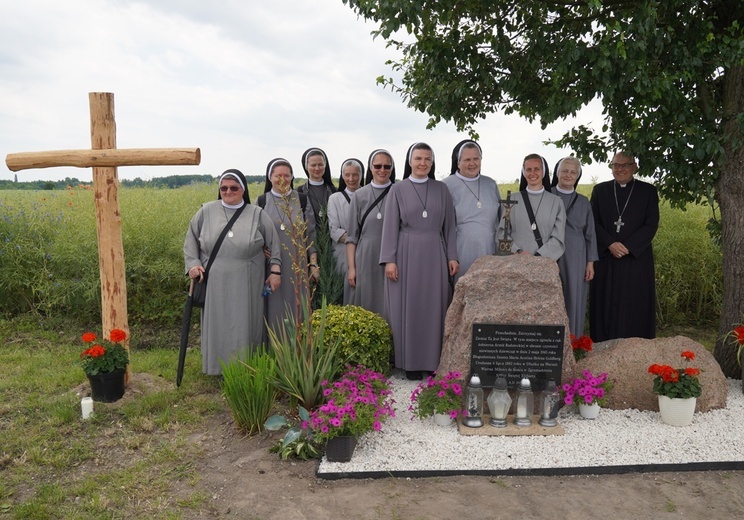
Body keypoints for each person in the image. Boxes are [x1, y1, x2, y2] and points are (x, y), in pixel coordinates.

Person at [183, 169, 281, 375]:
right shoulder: (206, 211)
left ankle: (246, 367)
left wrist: (275, 271)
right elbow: (191, 239)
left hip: (247, 281)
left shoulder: (257, 214)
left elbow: (274, 244)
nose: (228, 191)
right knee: (218, 323)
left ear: (243, 189)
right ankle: (217, 367)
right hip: (216, 280)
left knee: (245, 324)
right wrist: (192, 264)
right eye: (224, 188)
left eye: (234, 187)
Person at [380, 142, 458, 380]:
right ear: (410, 161)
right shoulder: (398, 189)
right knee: (410, 307)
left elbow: (450, 226)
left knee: (435, 306)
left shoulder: (441, 189)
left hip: (435, 251)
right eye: (418, 159)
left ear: (432, 163)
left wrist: (452, 255)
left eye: (427, 159)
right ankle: (412, 363)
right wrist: (389, 260)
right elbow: (390, 226)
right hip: (406, 252)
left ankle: (433, 361)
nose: (423, 163)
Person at [589, 152, 659, 341]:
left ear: (634, 167)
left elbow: (651, 224)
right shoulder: (600, 191)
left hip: (636, 259)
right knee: (604, 302)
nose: (619, 169)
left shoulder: (648, 192)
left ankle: (635, 347)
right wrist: (610, 243)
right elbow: (592, 222)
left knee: (634, 302)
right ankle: (602, 343)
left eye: (624, 165)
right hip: (606, 257)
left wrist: (628, 247)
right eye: (615, 165)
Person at [258, 158, 319, 332]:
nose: (282, 179)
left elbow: (311, 235)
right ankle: (273, 349)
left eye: (287, 175)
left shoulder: (302, 200)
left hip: (298, 264)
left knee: (298, 307)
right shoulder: (262, 201)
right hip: (270, 266)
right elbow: (254, 234)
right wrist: (261, 248)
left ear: (292, 177)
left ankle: (297, 353)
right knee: (273, 306)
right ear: (270, 177)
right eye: (278, 176)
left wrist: (313, 264)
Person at [550, 157, 598, 337]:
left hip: (576, 255)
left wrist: (590, 262)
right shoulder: (547, 195)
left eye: (573, 172)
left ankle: (573, 341)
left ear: (577, 175)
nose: (568, 175)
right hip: (549, 253)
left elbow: (590, 234)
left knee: (574, 297)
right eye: (565, 171)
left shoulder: (584, 201)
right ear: (557, 173)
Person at [442, 139, 501, 281]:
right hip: (460, 253)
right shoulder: (446, 186)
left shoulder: (490, 184)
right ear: (458, 162)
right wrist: (450, 256)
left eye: (476, 159)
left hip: (490, 251)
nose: (472, 163)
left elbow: (500, 220)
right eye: (467, 159)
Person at [346, 149, 396, 315]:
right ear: (370, 167)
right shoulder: (359, 195)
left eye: (387, 166)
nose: (382, 170)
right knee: (367, 302)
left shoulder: (399, 192)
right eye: (378, 166)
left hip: (394, 256)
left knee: (391, 301)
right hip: (366, 256)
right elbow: (352, 237)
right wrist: (352, 268)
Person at [498, 154, 565, 259]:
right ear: (524, 172)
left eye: (536, 169)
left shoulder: (556, 202)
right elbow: (502, 233)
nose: (532, 173)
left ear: (543, 172)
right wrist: (517, 252)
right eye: (528, 169)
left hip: (544, 262)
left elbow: (558, 238)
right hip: (514, 260)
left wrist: (538, 256)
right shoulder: (511, 200)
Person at [327, 158, 364, 302]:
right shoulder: (335, 199)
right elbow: (334, 230)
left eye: (355, 174)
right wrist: (358, 238)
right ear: (342, 176)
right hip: (342, 253)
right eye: (347, 174)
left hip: (365, 252)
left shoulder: (368, 195)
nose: (351, 178)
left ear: (361, 175)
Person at [296, 147, 336, 221]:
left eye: (320, 164)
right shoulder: (299, 192)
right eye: (313, 165)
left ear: (325, 166)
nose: (317, 168)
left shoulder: (334, 191)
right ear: (306, 167)